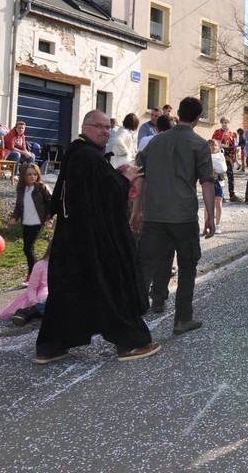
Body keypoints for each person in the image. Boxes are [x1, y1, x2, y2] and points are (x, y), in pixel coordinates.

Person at [34, 110, 159, 364]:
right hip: (93, 238)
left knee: (70, 292)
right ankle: (131, 343)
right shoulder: (87, 156)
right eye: (98, 127)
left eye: (107, 127)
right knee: (111, 286)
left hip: (74, 236)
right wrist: (125, 178)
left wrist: (117, 177)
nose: (104, 131)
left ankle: (50, 346)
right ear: (85, 127)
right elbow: (108, 191)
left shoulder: (80, 152)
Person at [132, 97, 215, 335]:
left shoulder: (156, 142)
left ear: (178, 113)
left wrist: (136, 210)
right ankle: (182, 319)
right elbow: (207, 183)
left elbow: (139, 175)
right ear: (198, 117)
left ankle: (131, 321)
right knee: (187, 266)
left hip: (154, 215)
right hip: (183, 216)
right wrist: (210, 217)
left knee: (144, 267)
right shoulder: (199, 144)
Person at [8, 162, 53, 281]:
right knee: (26, 248)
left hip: (38, 222)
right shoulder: (21, 189)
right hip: (27, 222)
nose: (32, 176)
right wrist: (14, 217)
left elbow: (51, 204)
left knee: (28, 248)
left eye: (35, 174)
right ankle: (37, 273)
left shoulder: (42, 188)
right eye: (29, 174)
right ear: (24, 175)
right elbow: (18, 206)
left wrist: (49, 220)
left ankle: (33, 275)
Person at [0, 240, 51, 326]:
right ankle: (30, 312)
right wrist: (33, 302)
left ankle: (29, 313)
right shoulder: (40, 265)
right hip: (44, 294)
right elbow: (32, 287)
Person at [211, 116, 241, 202]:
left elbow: (232, 144)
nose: (225, 124)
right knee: (220, 176)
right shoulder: (217, 132)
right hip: (220, 156)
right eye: (224, 122)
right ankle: (220, 195)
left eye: (226, 123)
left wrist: (236, 148)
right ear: (221, 123)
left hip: (229, 156)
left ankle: (232, 194)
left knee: (230, 175)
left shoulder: (231, 133)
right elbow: (212, 143)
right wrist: (220, 145)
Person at [208, 139, 226, 233]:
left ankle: (217, 225)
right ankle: (208, 225)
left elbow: (224, 168)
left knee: (218, 203)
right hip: (209, 181)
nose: (213, 147)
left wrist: (217, 171)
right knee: (209, 205)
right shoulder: (205, 156)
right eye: (211, 145)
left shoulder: (221, 155)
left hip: (219, 181)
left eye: (215, 145)